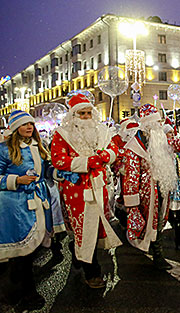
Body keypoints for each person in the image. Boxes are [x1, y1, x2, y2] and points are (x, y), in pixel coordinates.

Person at [51, 92, 122, 288]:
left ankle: (78, 253)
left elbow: (115, 150)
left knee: (97, 225)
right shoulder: (62, 134)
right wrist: (85, 162)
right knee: (84, 228)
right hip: (76, 188)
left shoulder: (102, 131)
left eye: (88, 113)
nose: (85, 117)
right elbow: (57, 159)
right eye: (81, 113)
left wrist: (106, 156)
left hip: (99, 186)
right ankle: (92, 272)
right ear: (73, 115)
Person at [0, 110, 53, 311]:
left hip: (37, 199)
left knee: (32, 250)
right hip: (15, 205)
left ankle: (22, 291)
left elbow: (46, 171)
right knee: (20, 253)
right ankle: (20, 293)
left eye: (31, 124)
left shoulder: (38, 147)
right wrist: (16, 180)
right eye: (24, 125)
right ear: (15, 128)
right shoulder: (4, 150)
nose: (29, 127)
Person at [123, 104, 177, 270]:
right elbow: (131, 175)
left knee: (159, 222)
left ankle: (157, 251)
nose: (160, 126)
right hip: (145, 195)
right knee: (149, 223)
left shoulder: (159, 140)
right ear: (148, 125)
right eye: (157, 122)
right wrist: (132, 203)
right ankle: (157, 253)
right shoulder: (134, 146)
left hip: (161, 189)